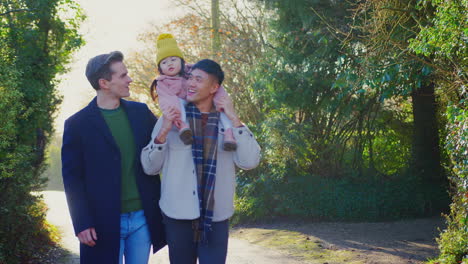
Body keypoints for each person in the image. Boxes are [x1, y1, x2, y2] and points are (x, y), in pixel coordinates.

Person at [141, 59, 261, 264]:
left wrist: (234, 117)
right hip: (177, 214)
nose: (190, 84)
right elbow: (149, 167)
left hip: (217, 215)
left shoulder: (228, 124)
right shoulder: (172, 117)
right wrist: (164, 131)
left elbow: (249, 161)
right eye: (190, 78)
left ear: (214, 87)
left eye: (199, 79)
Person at [61, 51, 165, 263]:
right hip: (102, 220)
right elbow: (73, 179)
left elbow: (164, 145)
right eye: (123, 75)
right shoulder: (77, 124)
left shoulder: (141, 113)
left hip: (142, 217)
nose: (130, 79)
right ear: (104, 83)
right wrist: (82, 222)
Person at [149, 33, 237, 150]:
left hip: (199, 102)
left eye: (173, 59)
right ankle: (183, 127)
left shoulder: (192, 70)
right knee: (178, 103)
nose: (169, 63)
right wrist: (175, 116)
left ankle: (229, 133)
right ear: (160, 68)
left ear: (181, 61)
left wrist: (222, 101)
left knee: (221, 108)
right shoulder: (162, 82)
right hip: (181, 105)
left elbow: (212, 82)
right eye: (164, 62)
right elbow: (167, 99)